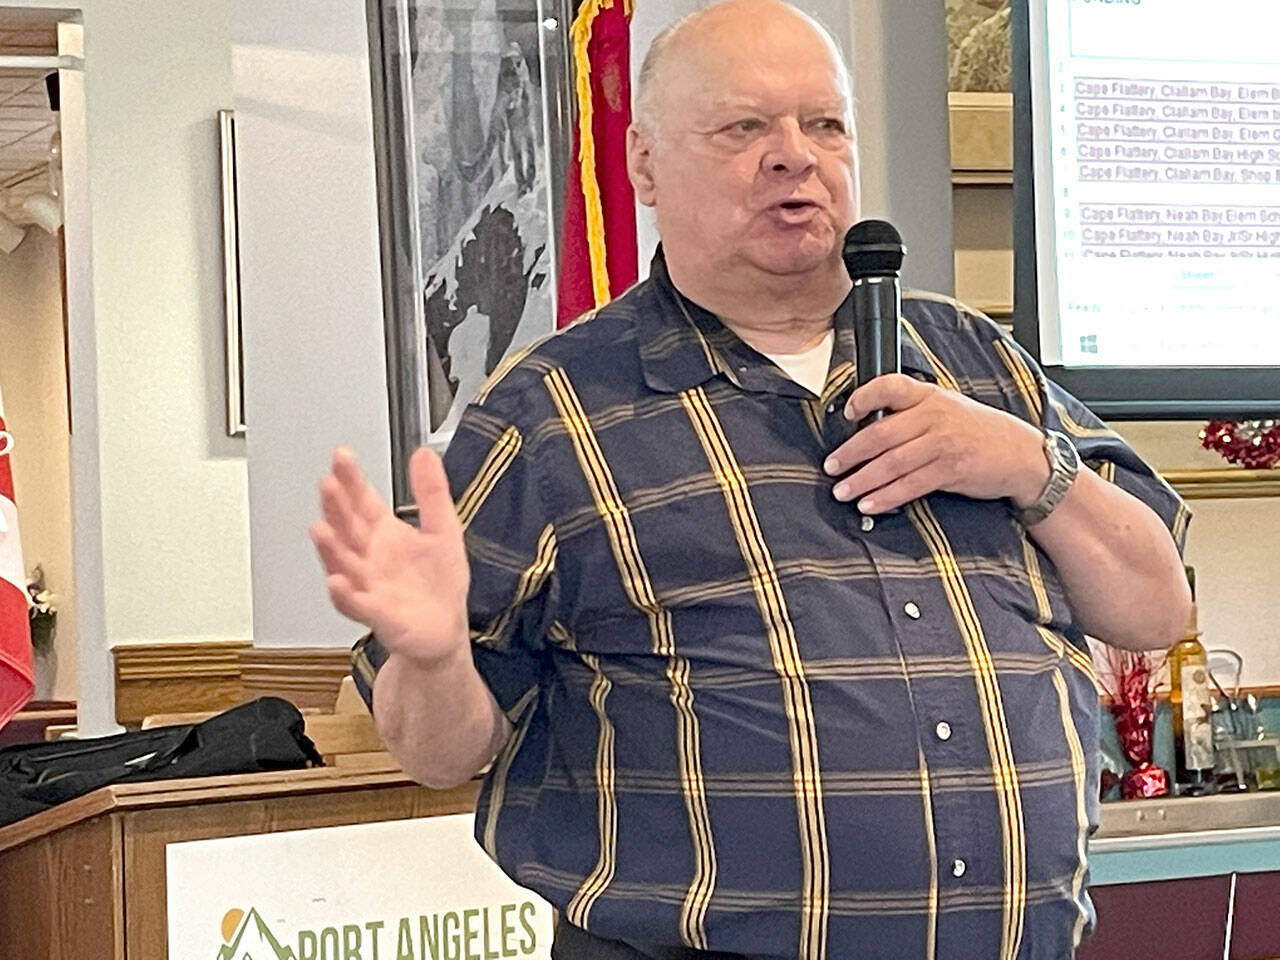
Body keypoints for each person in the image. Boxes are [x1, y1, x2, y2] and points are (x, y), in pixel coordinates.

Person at [312, 3, 1192, 957]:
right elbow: (439, 756)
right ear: (644, 163)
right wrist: (436, 656)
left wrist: (1031, 463)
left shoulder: (975, 361)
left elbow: (1157, 610)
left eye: (824, 125)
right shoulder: (549, 417)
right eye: (743, 128)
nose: (794, 157)